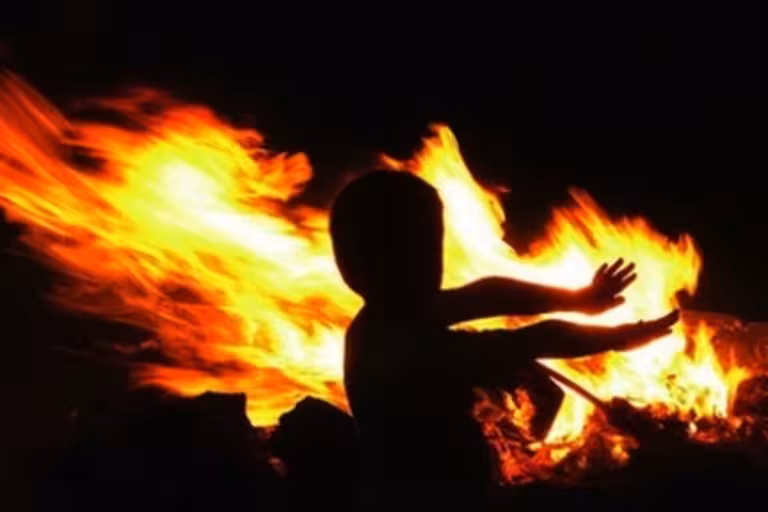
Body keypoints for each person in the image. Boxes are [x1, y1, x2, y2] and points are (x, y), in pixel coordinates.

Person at [329, 170, 678, 510]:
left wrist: (578, 299)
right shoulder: (402, 348)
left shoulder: (387, 316)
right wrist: (618, 337)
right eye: (427, 248)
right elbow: (533, 340)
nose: (434, 260)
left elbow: (488, 294)